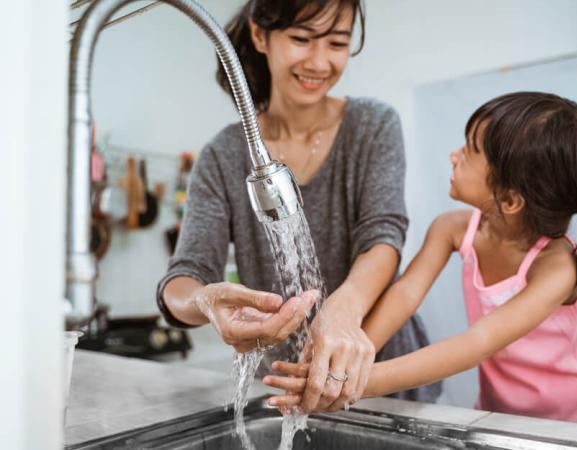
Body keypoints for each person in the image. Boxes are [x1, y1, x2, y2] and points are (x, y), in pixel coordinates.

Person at [263, 92, 577, 425]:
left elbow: (480, 340)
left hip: (566, 425)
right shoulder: (453, 228)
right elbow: (406, 294)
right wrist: (345, 361)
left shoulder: (556, 267)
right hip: (498, 413)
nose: (454, 154)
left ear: (509, 199)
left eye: (470, 150)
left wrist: (360, 383)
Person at [156, 0, 440, 413]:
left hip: (383, 378)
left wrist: (342, 312)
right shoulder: (223, 155)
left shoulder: (373, 125)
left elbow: (383, 236)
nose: (320, 62)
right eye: (302, 39)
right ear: (260, 36)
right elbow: (184, 277)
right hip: (285, 387)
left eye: (337, 43)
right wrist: (206, 303)